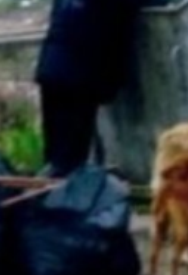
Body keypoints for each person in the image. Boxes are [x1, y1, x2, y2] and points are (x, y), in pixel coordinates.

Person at [35, 0, 144, 178]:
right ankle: (66, 186)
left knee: (56, 152)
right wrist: (111, 83)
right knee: (70, 157)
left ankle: (52, 184)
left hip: (52, 67)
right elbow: (117, 33)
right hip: (79, 75)